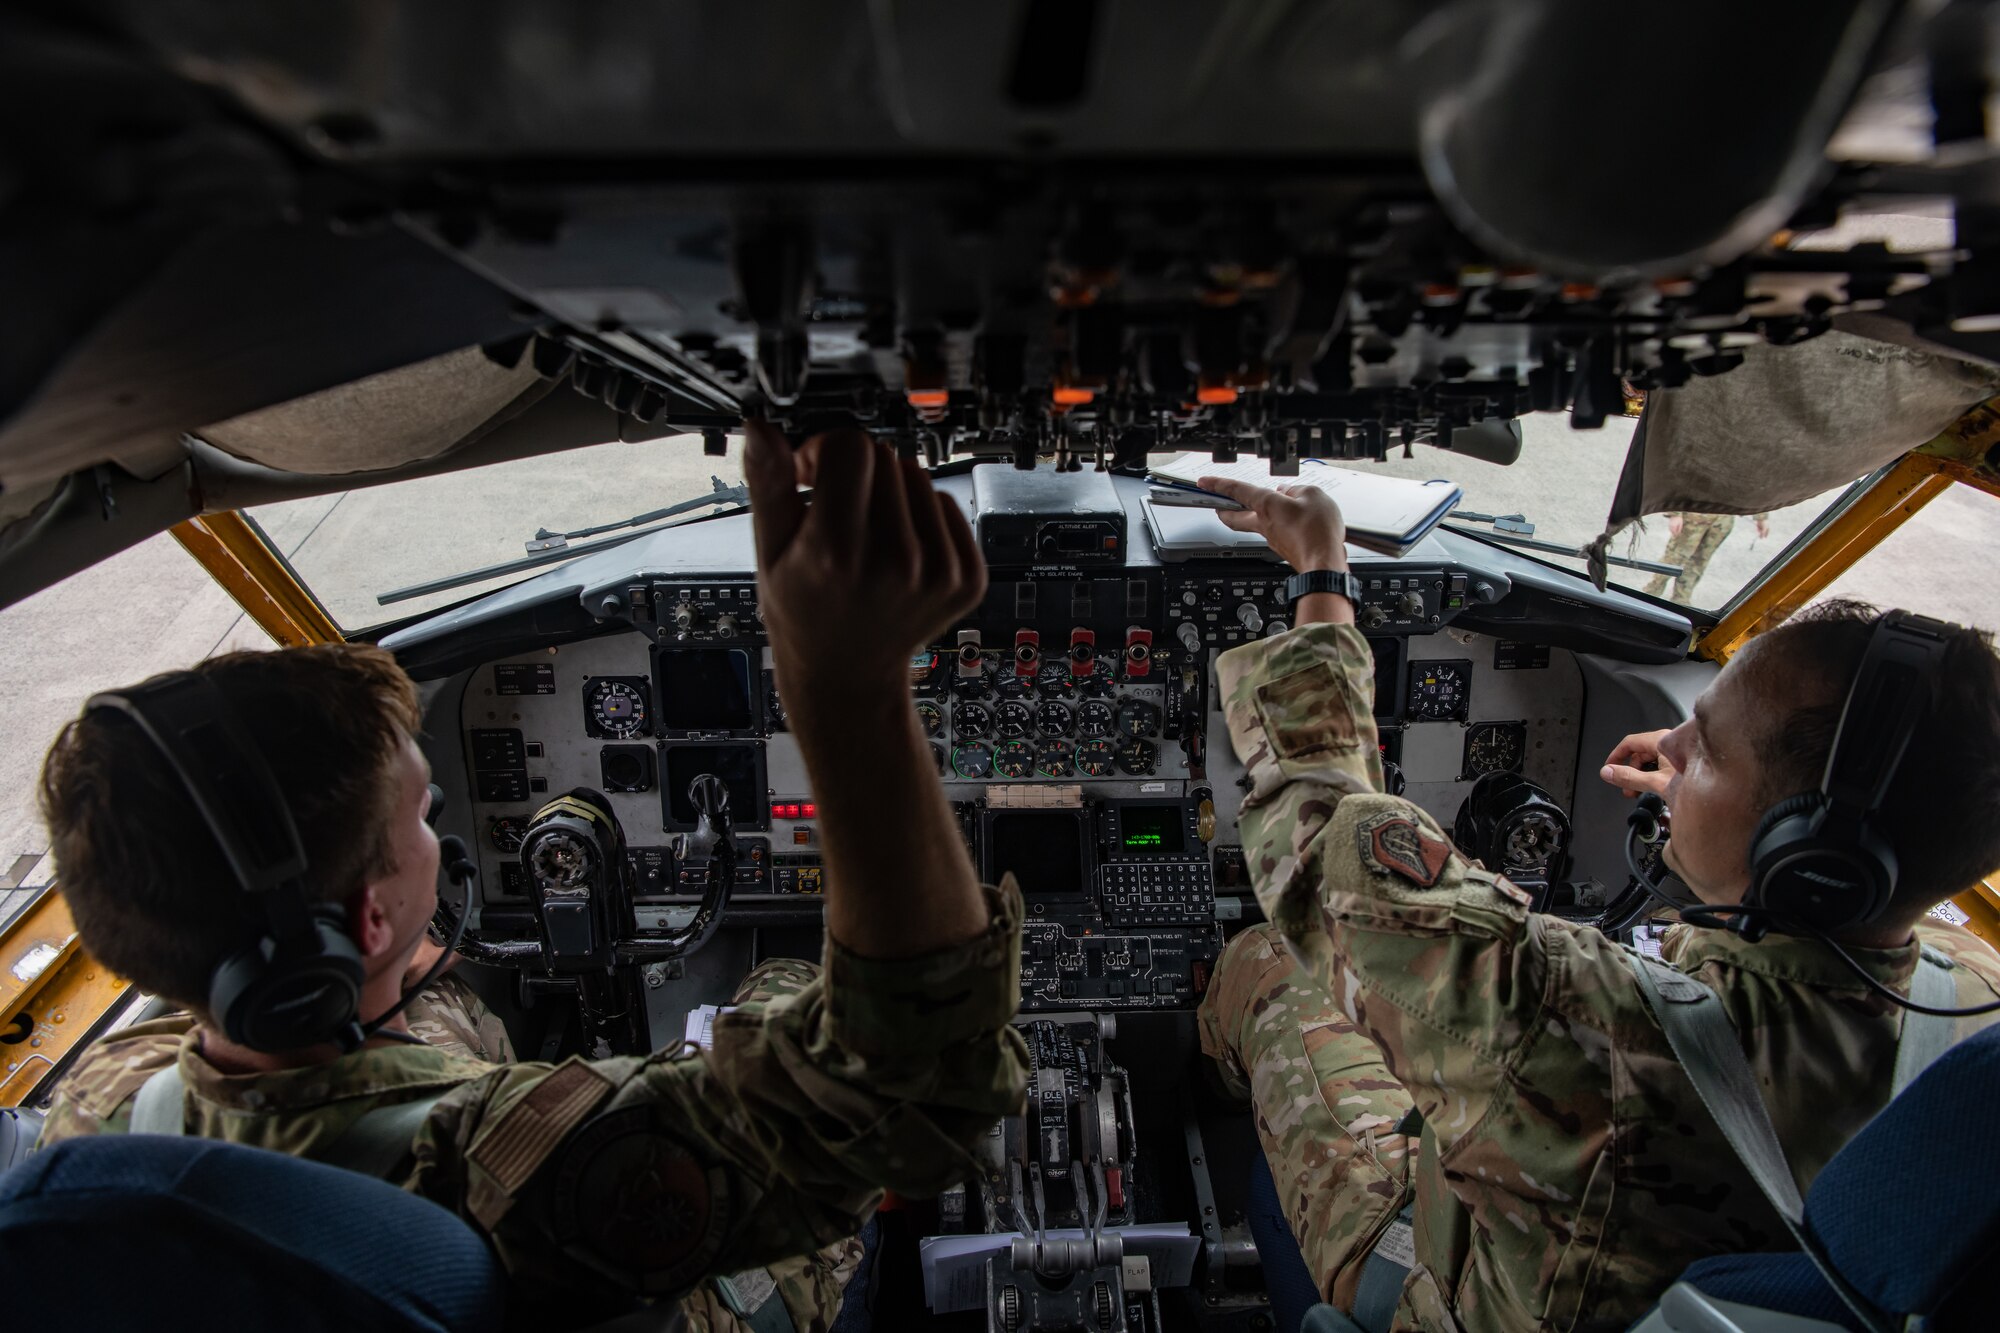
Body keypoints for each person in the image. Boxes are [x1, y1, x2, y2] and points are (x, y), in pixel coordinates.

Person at [35, 422, 1028, 1331]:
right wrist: (843, 685)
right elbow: (920, 1098)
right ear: (367, 919)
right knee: (765, 1006)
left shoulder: (103, 1122)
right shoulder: (498, 1164)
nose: (446, 833)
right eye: (425, 816)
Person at [1189, 474, 2000, 1332]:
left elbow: (1318, 841)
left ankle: (1202, 1120)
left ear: (1803, 857)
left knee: (1271, 961)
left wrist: (1323, 565)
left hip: (1455, 1295)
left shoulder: (1579, 1026)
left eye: (1708, 748)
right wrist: (1709, 816)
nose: (1674, 743)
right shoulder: (1973, 1012)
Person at [1643, 509, 1769, 603]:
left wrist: (1761, 516)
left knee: (1699, 562)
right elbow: (1683, 477)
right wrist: (1675, 513)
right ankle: (1649, 596)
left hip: (1723, 518)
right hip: (1694, 514)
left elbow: (1748, 480)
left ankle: (1681, 601)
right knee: (1674, 559)